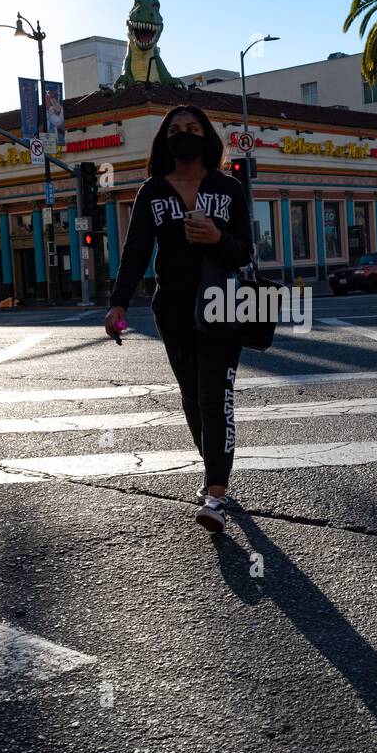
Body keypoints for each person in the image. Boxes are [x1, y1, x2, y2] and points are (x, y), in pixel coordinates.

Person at [104, 105, 252, 534]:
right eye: (176, 130)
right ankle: (214, 476)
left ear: (206, 135)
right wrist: (118, 303)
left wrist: (218, 237)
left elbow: (246, 252)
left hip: (224, 306)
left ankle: (215, 494)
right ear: (164, 140)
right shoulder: (152, 191)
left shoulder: (229, 189)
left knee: (214, 396)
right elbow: (135, 252)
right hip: (173, 310)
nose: (184, 135)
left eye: (192, 128)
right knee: (192, 397)